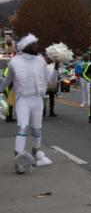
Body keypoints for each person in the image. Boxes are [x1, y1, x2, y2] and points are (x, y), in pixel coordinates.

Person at [0, 33, 58, 174]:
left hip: (37, 99)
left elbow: (50, 80)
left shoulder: (40, 61)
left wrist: (57, 66)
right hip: (22, 99)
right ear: (26, 47)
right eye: (34, 44)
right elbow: (7, 81)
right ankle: (18, 160)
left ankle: (35, 153)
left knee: (37, 129)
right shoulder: (14, 62)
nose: (37, 47)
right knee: (23, 128)